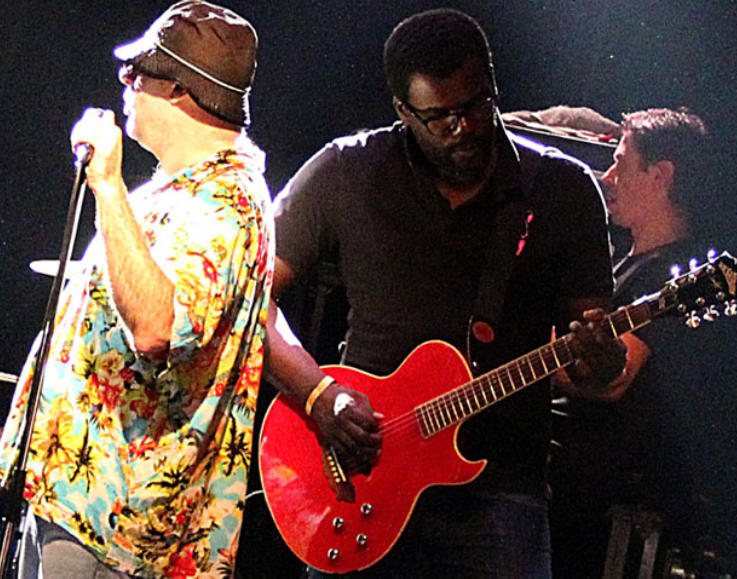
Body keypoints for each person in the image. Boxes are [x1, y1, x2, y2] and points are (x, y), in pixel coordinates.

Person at [266, 8, 626, 578]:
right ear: (403, 111)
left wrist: (600, 360)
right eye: (440, 118)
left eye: (477, 105)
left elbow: (592, 358)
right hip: (361, 475)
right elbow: (249, 301)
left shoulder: (563, 190)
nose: (465, 128)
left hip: (501, 492)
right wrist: (318, 396)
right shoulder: (346, 171)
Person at [0, 2, 274, 576]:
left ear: (179, 89)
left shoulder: (226, 204)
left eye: (139, 73)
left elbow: (157, 328)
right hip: (74, 502)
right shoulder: (179, 191)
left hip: (115, 530)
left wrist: (106, 184)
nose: (125, 82)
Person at [546, 108, 720, 576]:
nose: (608, 177)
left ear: (660, 176)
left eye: (620, 163)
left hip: (589, 499)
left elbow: (613, 380)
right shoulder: (625, 265)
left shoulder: (672, 276)